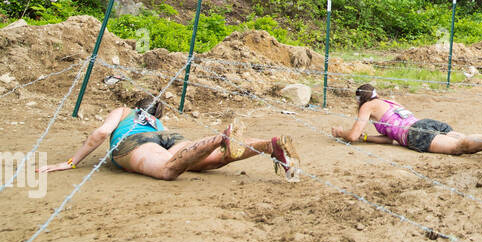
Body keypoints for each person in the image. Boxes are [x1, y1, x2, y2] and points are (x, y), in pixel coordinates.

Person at [43, 95, 300, 181]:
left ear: (137, 106)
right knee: (214, 161)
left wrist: (71, 162)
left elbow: (100, 133)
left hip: (134, 143)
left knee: (168, 169)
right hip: (166, 136)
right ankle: (268, 145)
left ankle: (221, 137)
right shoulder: (157, 121)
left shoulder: (124, 111)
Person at [335, 85, 482, 153]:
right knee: (465, 140)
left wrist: (340, 132)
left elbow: (352, 136)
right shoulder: (388, 101)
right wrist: (366, 137)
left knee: (461, 147)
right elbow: (390, 139)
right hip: (424, 124)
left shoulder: (367, 106)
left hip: (415, 134)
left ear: (360, 100)